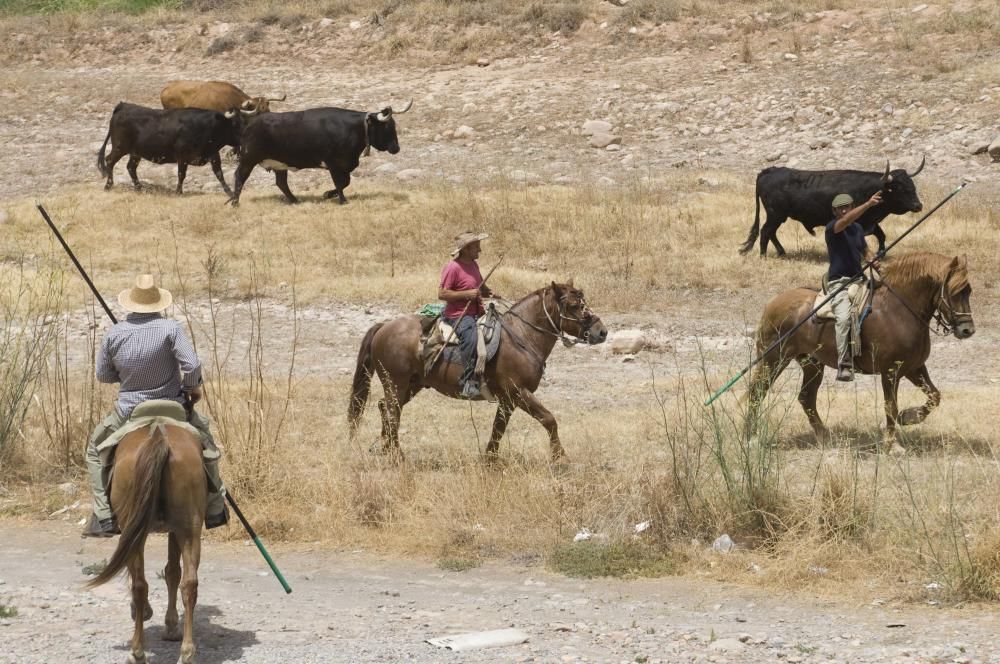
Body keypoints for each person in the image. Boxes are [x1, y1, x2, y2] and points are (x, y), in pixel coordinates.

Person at [82, 274, 228, 538]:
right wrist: (190, 388)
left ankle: (103, 516)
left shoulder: (115, 334)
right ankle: (216, 508)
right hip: (172, 405)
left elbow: (103, 375)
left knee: (95, 449)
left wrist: (125, 376)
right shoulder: (171, 329)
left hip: (129, 411)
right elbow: (192, 365)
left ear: (130, 304)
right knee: (207, 445)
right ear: (158, 303)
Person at [826, 191, 882, 382]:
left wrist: (872, 260)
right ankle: (844, 363)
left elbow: (864, 250)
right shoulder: (833, 227)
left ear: (851, 206)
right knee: (843, 319)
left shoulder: (857, 228)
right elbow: (846, 221)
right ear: (835, 212)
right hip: (839, 283)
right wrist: (868, 204)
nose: (843, 210)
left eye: (847, 207)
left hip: (860, 280)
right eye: (840, 208)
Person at [438, 231, 495, 399]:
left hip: (477, 312)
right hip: (458, 315)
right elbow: (442, 294)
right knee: (471, 338)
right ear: (467, 249)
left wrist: (488, 292)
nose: (480, 250)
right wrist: (466, 294)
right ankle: (467, 383)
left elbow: (480, 287)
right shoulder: (453, 267)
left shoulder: (473, 264)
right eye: (477, 247)